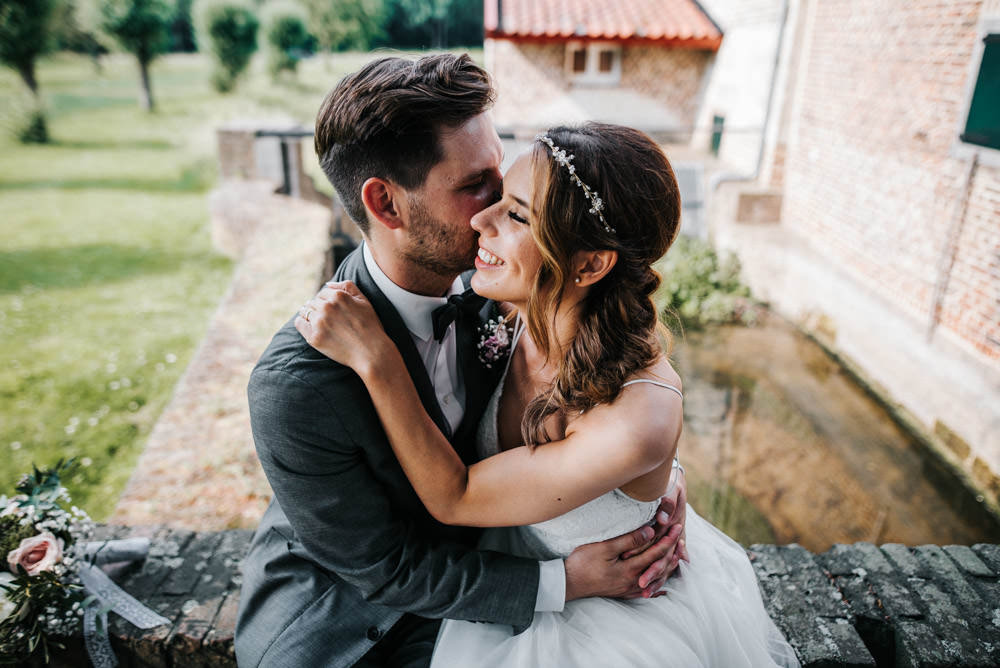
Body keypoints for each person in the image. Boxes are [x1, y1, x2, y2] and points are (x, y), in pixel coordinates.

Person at [234, 54, 689, 668]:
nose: (488, 210)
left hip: (513, 587)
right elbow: (388, 567)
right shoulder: (298, 385)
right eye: (475, 184)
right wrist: (567, 579)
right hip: (355, 627)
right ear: (387, 205)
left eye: (500, 184)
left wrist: (651, 490)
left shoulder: (502, 291)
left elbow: (611, 394)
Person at [297, 122, 801, 667]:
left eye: (514, 215)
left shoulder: (637, 419)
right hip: (508, 577)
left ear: (588, 264)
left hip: (610, 621)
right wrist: (668, 477)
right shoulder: (507, 306)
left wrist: (379, 363)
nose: (479, 220)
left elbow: (457, 495)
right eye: (496, 199)